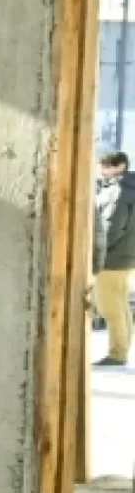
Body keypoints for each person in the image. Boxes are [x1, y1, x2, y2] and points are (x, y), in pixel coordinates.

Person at [96, 150, 134, 366]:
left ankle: (118, 353)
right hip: (127, 256)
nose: (103, 170)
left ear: (120, 166)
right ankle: (123, 348)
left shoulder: (118, 190)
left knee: (110, 306)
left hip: (112, 258)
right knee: (120, 303)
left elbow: (111, 226)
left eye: (107, 166)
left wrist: (97, 251)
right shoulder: (129, 187)